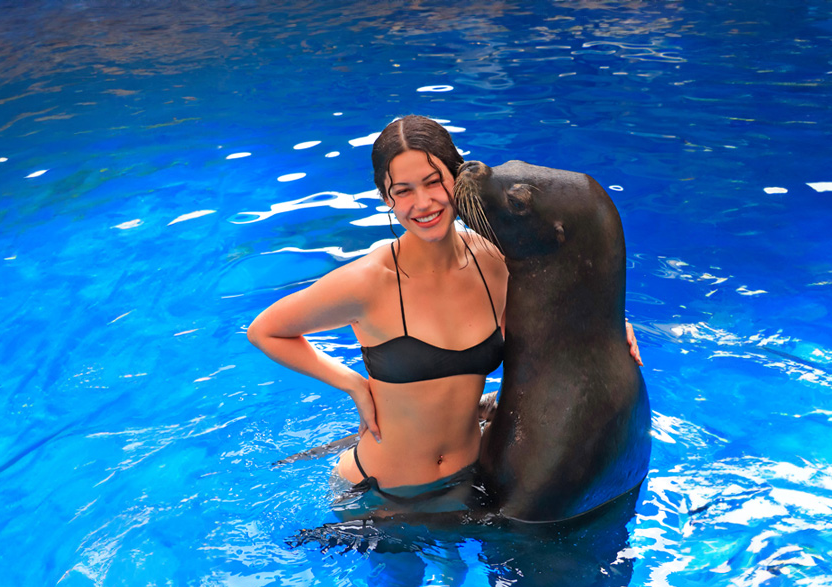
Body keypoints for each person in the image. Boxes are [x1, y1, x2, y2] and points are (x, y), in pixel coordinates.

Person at [248, 116, 642, 520]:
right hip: (382, 496)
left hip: (467, 484)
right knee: (398, 585)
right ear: (386, 198)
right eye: (403, 191)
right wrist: (354, 385)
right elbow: (265, 331)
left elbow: (550, 310)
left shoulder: (494, 263)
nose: (423, 203)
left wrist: (606, 330)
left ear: (456, 178)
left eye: (434, 182)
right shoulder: (368, 282)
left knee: (457, 584)